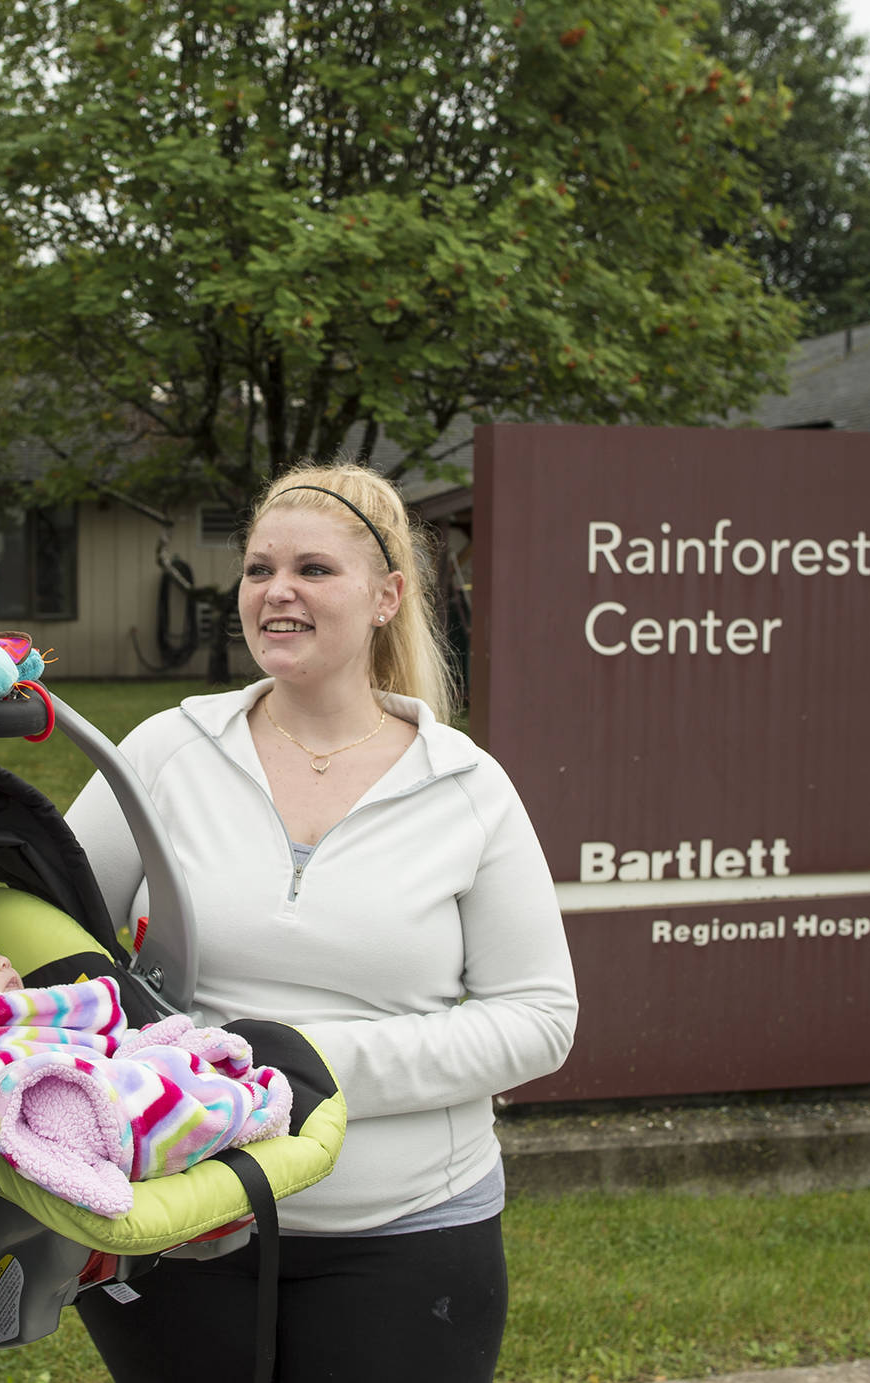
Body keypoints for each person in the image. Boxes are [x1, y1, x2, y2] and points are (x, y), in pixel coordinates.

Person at [63, 462, 579, 1382]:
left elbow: (539, 1019)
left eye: (313, 569)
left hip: (409, 1232)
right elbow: (54, 941)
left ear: (386, 597)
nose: (277, 591)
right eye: (259, 569)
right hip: (181, 1221)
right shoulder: (164, 753)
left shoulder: (465, 786)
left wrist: (300, 1065)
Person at [0, 890, 291, 1218]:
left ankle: (195, 1095)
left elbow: (106, 1048)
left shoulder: (44, 1019)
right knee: (106, 1088)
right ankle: (196, 1114)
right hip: (64, 1094)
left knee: (161, 1054)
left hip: (103, 1070)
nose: (2, 960)